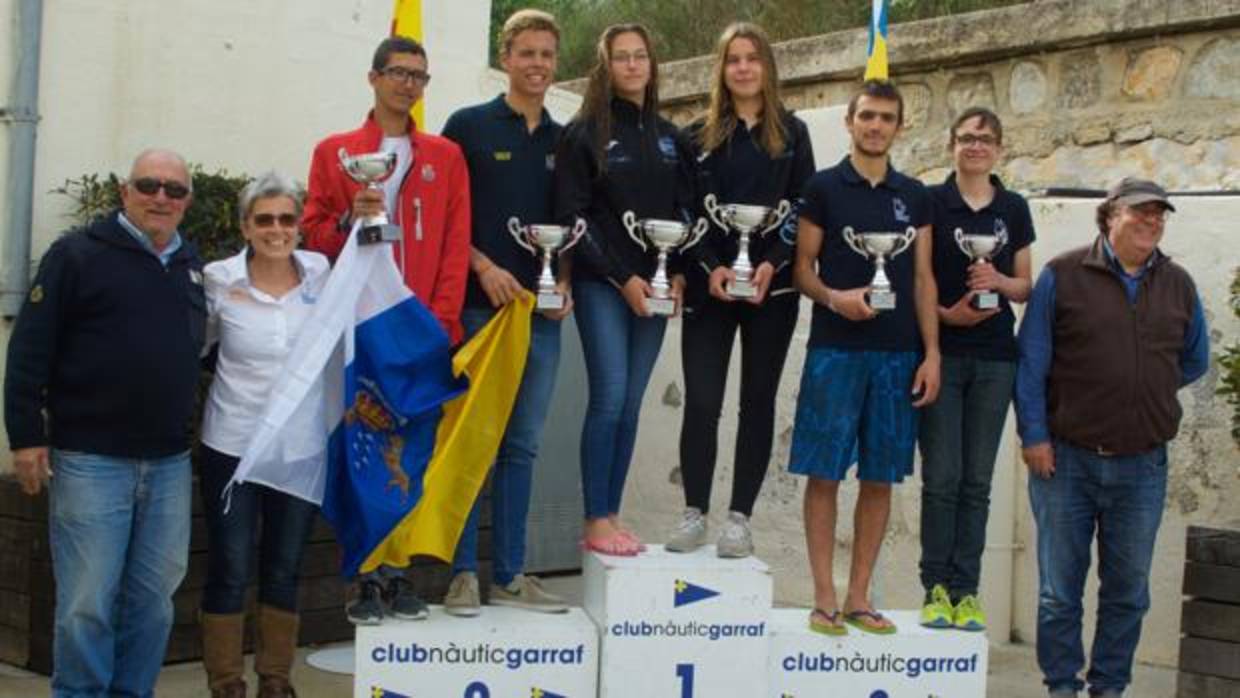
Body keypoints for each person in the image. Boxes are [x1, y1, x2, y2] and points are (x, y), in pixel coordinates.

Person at [4, 149, 204, 697]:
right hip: (91, 461)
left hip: (167, 462)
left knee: (153, 602)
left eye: (174, 189)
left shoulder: (190, 264)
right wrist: (26, 437)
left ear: (187, 201)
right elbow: (28, 351)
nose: (161, 197)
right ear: (125, 191)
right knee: (86, 604)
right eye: (149, 185)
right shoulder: (76, 255)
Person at [1015, 177, 1209, 698]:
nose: (1152, 221)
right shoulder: (1061, 275)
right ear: (1109, 217)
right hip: (1065, 463)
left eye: (1159, 215)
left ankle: (1109, 688)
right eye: (1141, 212)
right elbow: (1031, 363)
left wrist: (1142, 392)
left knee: (1128, 593)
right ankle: (1061, 687)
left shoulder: (1180, 284)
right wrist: (1034, 435)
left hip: (1142, 467)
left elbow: (1194, 359)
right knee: (1060, 593)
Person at [303, 35, 470, 624]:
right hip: (361, 326)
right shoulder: (336, 151)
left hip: (419, 326)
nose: (408, 84)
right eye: (398, 73)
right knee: (362, 447)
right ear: (373, 78)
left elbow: (455, 245)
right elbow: (316, 234)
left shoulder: (445, 156)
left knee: (413, 449)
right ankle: (363, 579)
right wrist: (352, 216)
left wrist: (443, 323)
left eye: (419, 76)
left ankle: (399, 576)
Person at [789, 80, 940, 636]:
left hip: (899, 357)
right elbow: (801, 269)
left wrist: (932, 353)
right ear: (851, 122)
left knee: (881, 479)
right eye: (867, 116)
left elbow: (924, 279)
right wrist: (835, 299)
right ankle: (823, 596)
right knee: (823, 474)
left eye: (887, 118)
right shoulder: (823, 188)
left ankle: (859, 596)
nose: (876, 126)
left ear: (899, 127)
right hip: (835, 351)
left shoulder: (916, 196)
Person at [665, 22, 814, 558]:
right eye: (734, 59)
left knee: (757, 402)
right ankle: (693, 512)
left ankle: (739, 519)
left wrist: (774, 263)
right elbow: (682, 210)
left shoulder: (793, 134)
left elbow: (803, 206)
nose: (744, 68)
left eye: (753, 58)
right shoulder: (695, 136)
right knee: (702, 402)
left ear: (767, 68)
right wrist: (709, 265)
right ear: (722, 69)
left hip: (771, 293)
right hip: (711, 290)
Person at [438, 8, 569, 616]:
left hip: (537, 319)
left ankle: (511, 575)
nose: (537, 63)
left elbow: (572, 226)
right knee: (473, 442)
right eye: (527, 53)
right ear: (506, 57)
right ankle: (463, 573)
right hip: (476, 310)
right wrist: (482, 267)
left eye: (546, 54)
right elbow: (444, 218)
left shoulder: (565, 140)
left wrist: (562, 284)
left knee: (522, 446)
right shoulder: (467, 126)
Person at [554, 23, 698, 556]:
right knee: (610, 397)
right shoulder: (583, 133)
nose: (633, 65)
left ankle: (611, 516)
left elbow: (687, 212)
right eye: (622, 57)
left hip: (656, 290)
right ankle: (594, 520)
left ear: (652, 65)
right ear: (606, 66)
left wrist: (676, 272)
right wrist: (622, 277)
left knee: (632, 404)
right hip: (603, 287)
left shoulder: (672, 137)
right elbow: (573, 216)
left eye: (641, 56)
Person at [198, 172, 328, 698]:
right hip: (232, 444)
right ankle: (227, 682)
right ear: (246, 227)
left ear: (300, 224)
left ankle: (276, 678)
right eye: (265, 220)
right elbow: (197, 345)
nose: (278, 229)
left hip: (299, 449)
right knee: (230, 565)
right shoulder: (217, 279)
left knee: (284, 564)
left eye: (288, 219)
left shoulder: (322, 273)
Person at [917, 107, 1034, 632]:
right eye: (966, 137)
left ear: (999, 148)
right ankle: (935, 587)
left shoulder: (1014, 208)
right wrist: (946, 317)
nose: (975, 146)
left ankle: (967, 592)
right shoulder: (931, 203)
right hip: (944, 355)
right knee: (941, 479)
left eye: (985, 138)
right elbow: (918, 279)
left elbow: (1025, 286)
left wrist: (997, 279)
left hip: (994, 360)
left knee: (976, 483)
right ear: (952, 145)